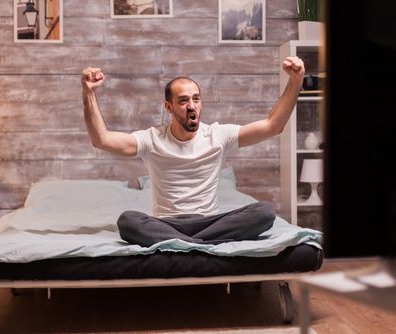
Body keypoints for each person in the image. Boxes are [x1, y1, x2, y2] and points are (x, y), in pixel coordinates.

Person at [81, 57, 305, 247]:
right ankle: (203, 245)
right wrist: (88, 94)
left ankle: (181, 244)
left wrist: (295, 82)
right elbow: (101, 140)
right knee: (128, 221)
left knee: (264, 211)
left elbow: (273, 126)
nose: (191, 106)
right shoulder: (151, 139)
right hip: (167, 224)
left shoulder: (218, 135)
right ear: (168, 107)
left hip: (211, 222)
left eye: (196, 99)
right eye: (183, 100)